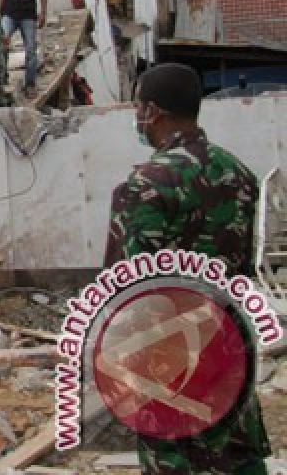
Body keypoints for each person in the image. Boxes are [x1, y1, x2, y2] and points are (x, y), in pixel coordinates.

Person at [104, 64, 271, 474]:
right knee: (236, 455)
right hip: (229, 343)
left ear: (153, 112)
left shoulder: (145, 185)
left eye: (138, 106)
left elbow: (127, 289)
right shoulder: (239, 174)